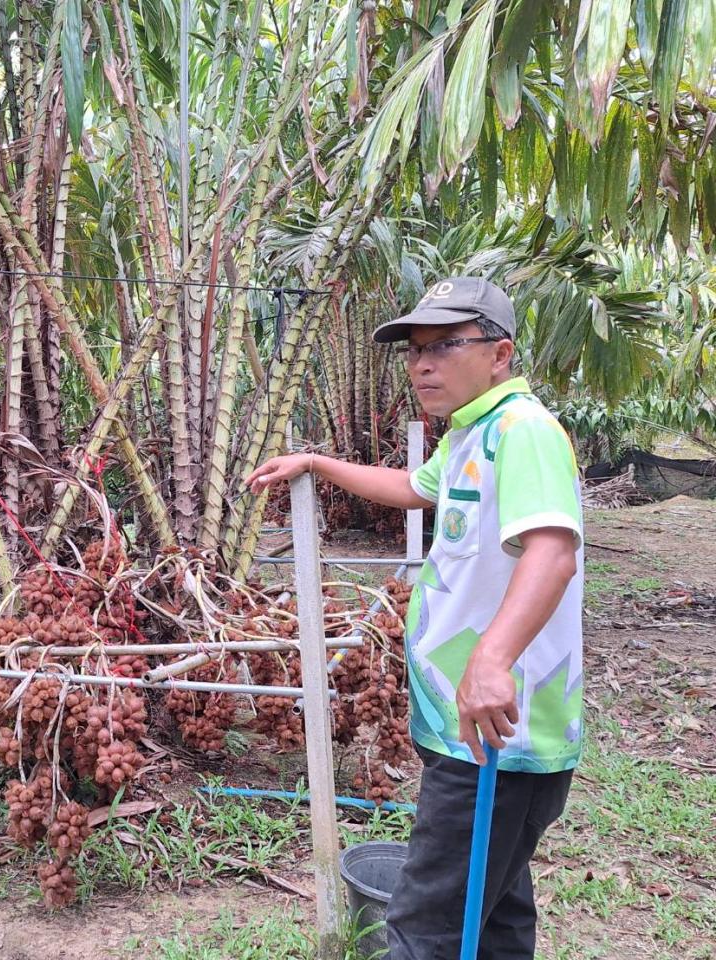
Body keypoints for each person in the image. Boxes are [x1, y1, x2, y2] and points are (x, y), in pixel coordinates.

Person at [247, 278, 583, 959]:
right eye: (415, 351)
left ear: (499, 353)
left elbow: (552, 553)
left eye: (444, 346)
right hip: (467, 729)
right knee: (492, 915)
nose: (422, 364)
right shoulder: (472, 433)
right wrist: (316, 462)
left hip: (496, 738)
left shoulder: (524, 433)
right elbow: (412, 489)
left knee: (425, 924)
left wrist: (489, 661)